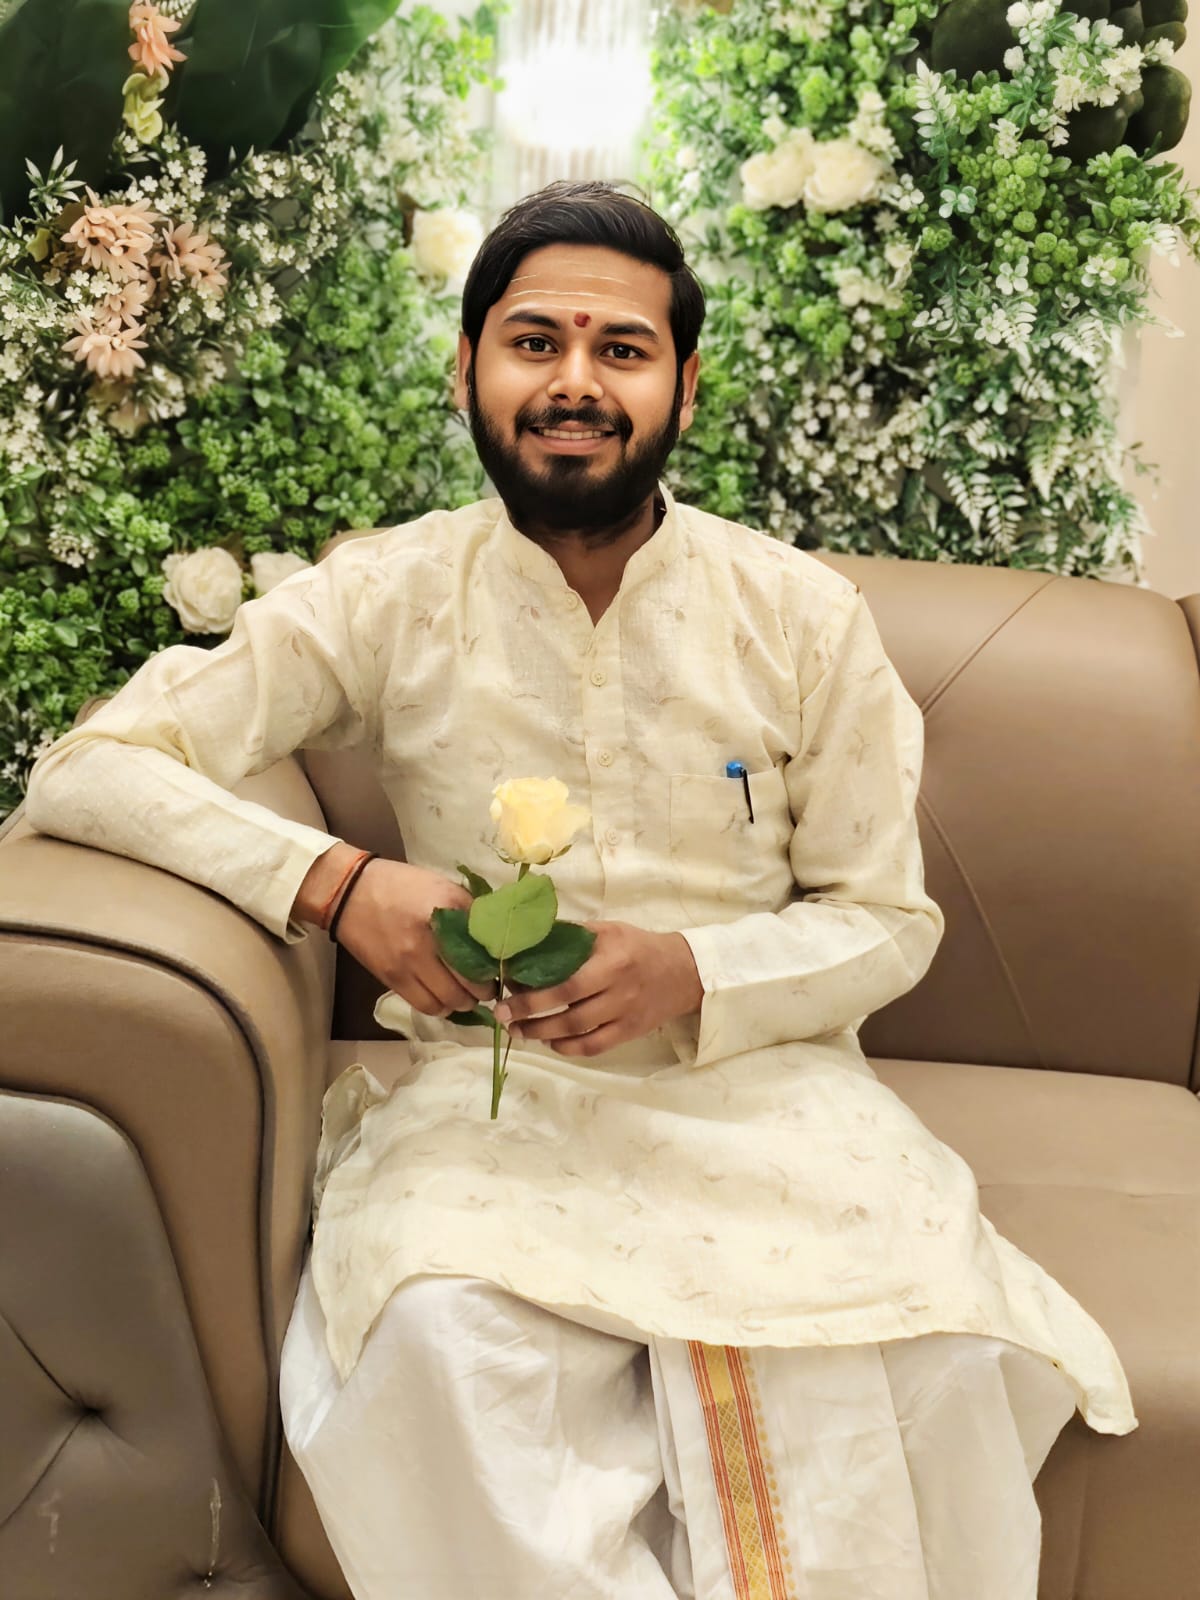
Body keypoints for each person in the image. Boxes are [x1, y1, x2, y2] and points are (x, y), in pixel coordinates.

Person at [24, 180, 1136, 1600]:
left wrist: (694, 972)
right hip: (496, 1106)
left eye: (622, 349)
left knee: (935, 1364)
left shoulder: (800, 615)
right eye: (535, 341)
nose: (575, 383)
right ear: (468, 369)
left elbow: (886, 918)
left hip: (767, 1099)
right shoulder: (388, 594)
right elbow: (90, 768)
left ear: (683, 386)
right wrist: (337, 884)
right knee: (437, 1348)